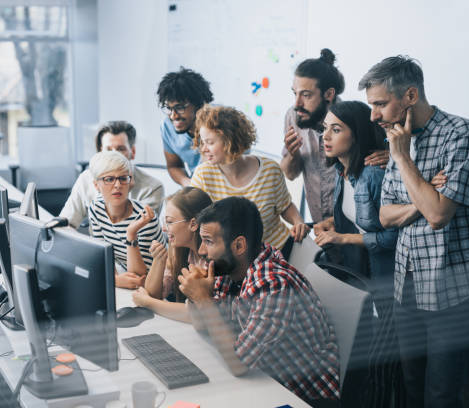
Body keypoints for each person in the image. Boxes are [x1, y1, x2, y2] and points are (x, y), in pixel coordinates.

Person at [359, 55, 469, 408]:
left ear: (410, 96)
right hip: (405, 285)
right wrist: (421, 197)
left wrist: (405, 162)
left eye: (379, 104)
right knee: (411, 386)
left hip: (452, 291)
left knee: (442, 394)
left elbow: (439, 214)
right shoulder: (397, 139)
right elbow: (385, 216)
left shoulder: (463, 135)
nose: (373, 116)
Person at [178, 197, 340, 407]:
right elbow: (202, 325)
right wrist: (197, 294)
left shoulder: (274, 285)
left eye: (208, 241)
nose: (201, 251)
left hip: (303, 397)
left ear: (239, 245)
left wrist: (203, 299)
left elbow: (238, 364)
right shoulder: (232, 268)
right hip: (265, 377)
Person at [314, 100, 404, 407]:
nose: (326, 136)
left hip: (384, 284)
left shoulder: (373, 175)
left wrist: (342, 237)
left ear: (358, 135)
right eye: (325, 128)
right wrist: (327, 225)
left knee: (381, 371)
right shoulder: (344, 171)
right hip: (359, 282)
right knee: (362, 367)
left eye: (336, 129)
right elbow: (351, 217)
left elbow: (390, 237)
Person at [280, 48, 389, 229]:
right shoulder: (293, 117)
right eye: (295, 93)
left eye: (306, 95)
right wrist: (292, 155)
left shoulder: (356, 117)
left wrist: (391, 157)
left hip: (358, 226)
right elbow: (290, 174)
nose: (297, 104)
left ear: (329, 94)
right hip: (321, 223)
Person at [191, 104, 308, 259]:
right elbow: (194, 221)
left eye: (210, 143)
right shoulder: (202, 176)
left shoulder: (269, 169)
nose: (203, 149)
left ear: (230, 141)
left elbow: (284, 206)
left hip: (278, 253)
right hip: (233, 261)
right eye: (202, 142)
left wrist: (298, 221)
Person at [60, 121, 164, 229]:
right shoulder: (86, 178)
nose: (114, 155)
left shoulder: (153, 187)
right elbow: (67, 221)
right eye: (108, 149)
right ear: (100, 153)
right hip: (97, 245)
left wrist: (120, 192)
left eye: (120, 149)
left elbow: (137, 235)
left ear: (132, 152)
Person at [132, 187, 212, 323]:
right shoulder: (178, 250)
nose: (164, 228)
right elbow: (153, 294)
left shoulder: (212, 259)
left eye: (169, 222)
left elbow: (195, 314)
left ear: (193, 224)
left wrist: (147, 302)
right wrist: (159, 260)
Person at [87, 151, 166, 289]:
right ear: (96, 185)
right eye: (109, 179)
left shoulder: (144, 218)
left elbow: (140, 279)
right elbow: (105, 256)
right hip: (124, 274)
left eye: (123, 178)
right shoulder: (96, 208)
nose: (118, 185)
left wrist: (131, 234)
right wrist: (114, 279)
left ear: (130, 182)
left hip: (157, 283)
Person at [156, 67, 214, 186]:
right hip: (198, 186)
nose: (173, 116)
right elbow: (174, 165)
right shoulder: (167, 126)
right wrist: (189, 183)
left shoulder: (221, 121)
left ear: (199, 104)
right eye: (169, 108)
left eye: (180, 108)